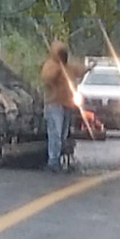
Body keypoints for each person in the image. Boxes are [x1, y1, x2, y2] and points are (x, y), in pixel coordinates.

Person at [40, 40, 90, 172]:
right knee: (55, 133)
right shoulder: (51, 66)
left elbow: (79, 70)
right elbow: (47, 78)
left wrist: (88, 68)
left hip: (67, 104)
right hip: (54, 104)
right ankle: (53, 161)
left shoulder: (69, 67)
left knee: (62, 134)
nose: (64, 56)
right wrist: (59, 69)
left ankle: (58, 159)